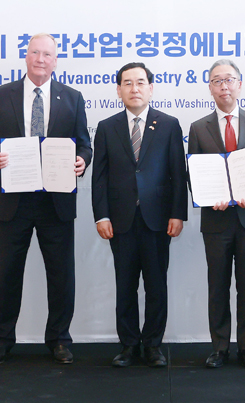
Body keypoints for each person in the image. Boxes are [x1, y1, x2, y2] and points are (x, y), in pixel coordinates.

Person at [0, 33, 92, 365]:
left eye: (47, 54)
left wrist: (83, 161)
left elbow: (84, 144)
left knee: (60, 274)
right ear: (26, 57)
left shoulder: (73, 97)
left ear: (56, 61)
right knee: (7, 272)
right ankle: (1, 339)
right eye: (35, 53)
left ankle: (58, 339)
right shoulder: (1, 96)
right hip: (14, 200)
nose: (41, 59)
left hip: (56, 200)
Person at [92, 62, 188, 368]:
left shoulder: (169, 124)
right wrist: (101, 215)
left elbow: (177, 172)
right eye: (128, 83)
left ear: (150, 88)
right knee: (125, 285)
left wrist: (178, 213)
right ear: (118, 89)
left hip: (158, 219)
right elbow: (100, 177)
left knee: (156, 284)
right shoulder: (107, 127)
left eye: (140, 83)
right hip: (119, 220)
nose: (135, 88)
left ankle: (153, 345)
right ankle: (129, 344)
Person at [187, 59, 245, 369]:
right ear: (210, 88)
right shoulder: (198, 127)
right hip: (216, 219)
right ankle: (220, 347)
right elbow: (193, 173)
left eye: (229, 80)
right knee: (218, 285)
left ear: (239, 84)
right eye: (217, 81)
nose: (224, 85)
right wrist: (209, 197)